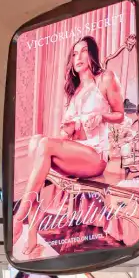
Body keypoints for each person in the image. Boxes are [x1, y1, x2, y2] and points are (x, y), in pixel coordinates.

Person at [13, 36, 126, 257]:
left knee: (43, 144)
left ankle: (18, 219)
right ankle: (33, 236)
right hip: (78, 152)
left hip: (95, 156)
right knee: (37, 143)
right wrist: (68, 129)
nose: (78, 57)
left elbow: (120, 114)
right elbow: (71, 131)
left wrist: (101, 116)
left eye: (83, 51)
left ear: (92, 54)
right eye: (74, 54)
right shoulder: (75, 92)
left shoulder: (105, 79)